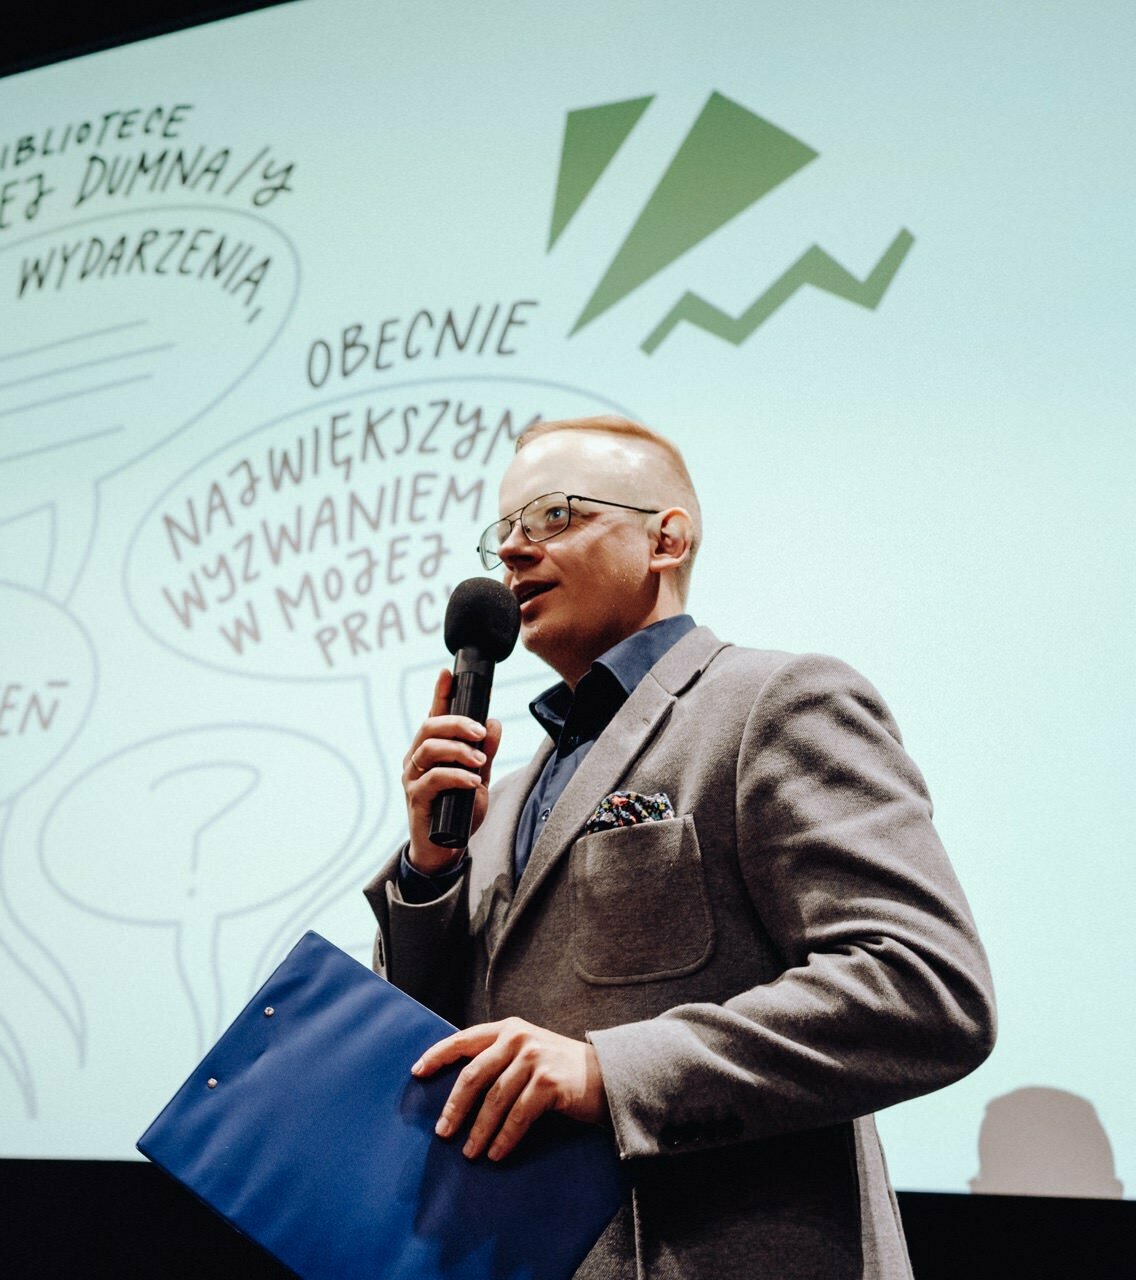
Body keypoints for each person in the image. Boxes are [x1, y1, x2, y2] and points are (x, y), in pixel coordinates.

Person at [364, 414, 994, 1279]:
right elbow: (430, 1049)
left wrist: (609, 1074)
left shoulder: (774, 702)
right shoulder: (501, 797)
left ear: (666, 539)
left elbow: (923, 988)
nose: (510, 554)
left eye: (553, 517)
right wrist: (431, 872)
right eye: (502, 530)